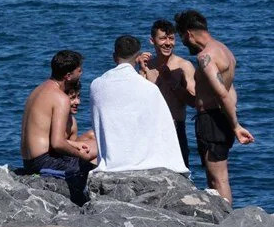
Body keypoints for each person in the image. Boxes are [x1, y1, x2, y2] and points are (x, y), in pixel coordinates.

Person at [175, 10, 255, 204]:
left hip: (211, 121)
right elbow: (231, 89)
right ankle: (224, 218)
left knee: (217, 178)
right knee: (219, 176)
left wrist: (236, 126)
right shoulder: (224, 50)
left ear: (188, 34)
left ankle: (225, 221)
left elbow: (221, 92)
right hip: (221, 117)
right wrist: (231, 118)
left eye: (182, 38)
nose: (184, 43)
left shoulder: (205, 57)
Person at [89, 35, 188, 174]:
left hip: (112, 161)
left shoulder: (96, 85)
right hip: (144, 160)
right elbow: (163, 127)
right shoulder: (149, 88)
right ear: (137, 58)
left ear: (114, 56)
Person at [20, 50, 95, 175]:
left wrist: (76, 145)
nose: (81, 73)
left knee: (94, 144)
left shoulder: (38, 90)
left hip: (29, 161)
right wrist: (81, 155)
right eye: (79, 71)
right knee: (98, 156)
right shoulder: (60, 97)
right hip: (44, 163)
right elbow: (57, 143)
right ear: (68, 76)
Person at [138, 19, 197, 167]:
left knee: (181, 174)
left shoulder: (184, 66)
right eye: (163, 38)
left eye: (171, 38)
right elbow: (138, 100)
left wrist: (171, 82)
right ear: (152, 41)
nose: (167, 43)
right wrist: (139, 68)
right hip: (152, 129)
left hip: (176, 127)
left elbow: (194, 101)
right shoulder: (147, 66)